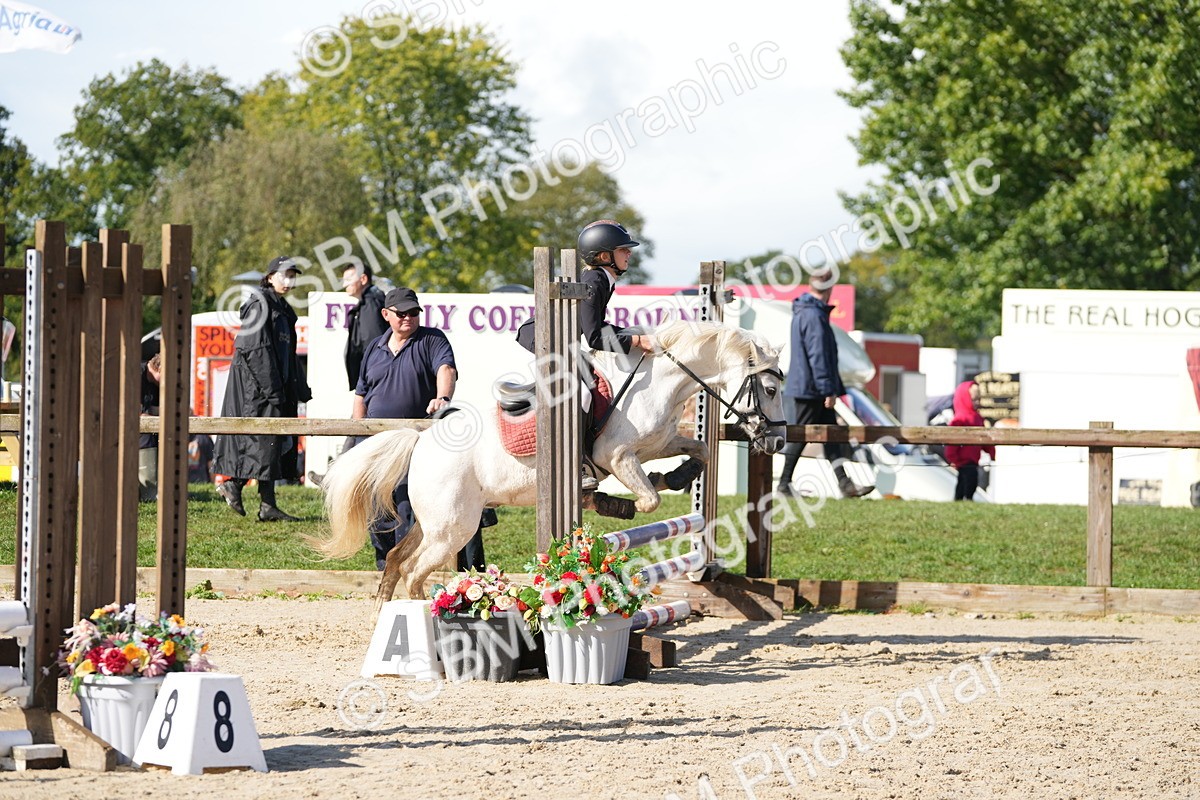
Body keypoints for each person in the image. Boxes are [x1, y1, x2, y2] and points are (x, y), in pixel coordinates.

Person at [515, 220, 657, 486]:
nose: (630, 253)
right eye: (623, 249)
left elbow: (595, 326)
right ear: (605, 256)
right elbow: (593, 335)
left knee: (587, 383)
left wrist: (633, 335)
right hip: (545, 336)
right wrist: (636, 339)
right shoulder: (594, 279)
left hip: (562, 338)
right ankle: (575, 465)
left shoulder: (602, 278)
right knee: (578, 391)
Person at [353, 287, 485, 570]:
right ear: (386, 314)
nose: (408, 318)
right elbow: (360, 394)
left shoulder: (431, 339)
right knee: (378, 506)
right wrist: (357, 432)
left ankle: (409, 566)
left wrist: (443, 398)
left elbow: (445, 370)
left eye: (414, 312)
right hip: (376, 442)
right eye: (402, 313)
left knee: (405, 504)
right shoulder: (374, 348)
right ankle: (384, 566)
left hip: (415, 443)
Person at [213, 256, 312, 522]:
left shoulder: (282, 308)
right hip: (256, 390)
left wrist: (299, 389)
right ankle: (233, 483)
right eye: (284, 275)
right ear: (269, 277)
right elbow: (254, 350)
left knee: (273, 444)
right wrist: (273, 390)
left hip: (273, 387)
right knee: (261, 442)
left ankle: (268, 505)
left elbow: (288, 354)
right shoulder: (260, 304)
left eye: (293, 275)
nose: (289, 280)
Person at [777, 267, 874, 499]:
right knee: (800, 436)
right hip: (811, 390)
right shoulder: (814, 315)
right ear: (829, 288)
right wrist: (828, 389)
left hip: (808, 387)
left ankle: (844, 483)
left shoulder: (807, 311)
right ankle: (783, 484)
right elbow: (819, 356)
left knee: (831, 435)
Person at [944, 380, 994, 501]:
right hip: (963, 460)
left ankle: (962, 500)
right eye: (974, 399)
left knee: (966, 482)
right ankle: (964, 500)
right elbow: (952, 442)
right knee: (967, 482)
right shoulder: (960, 419)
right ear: (965, 399)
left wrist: (991, 451)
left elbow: (984, 438)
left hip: (973, 459)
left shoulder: (977, 418)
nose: (977, 403)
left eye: (978, 399)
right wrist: (953, 458)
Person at [138, 352, 162, 502]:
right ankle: (148, 493)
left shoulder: (155, 384)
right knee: (147, 434)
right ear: (159, 369)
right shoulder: (136, 375)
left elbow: (154, 411)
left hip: (143, 429)